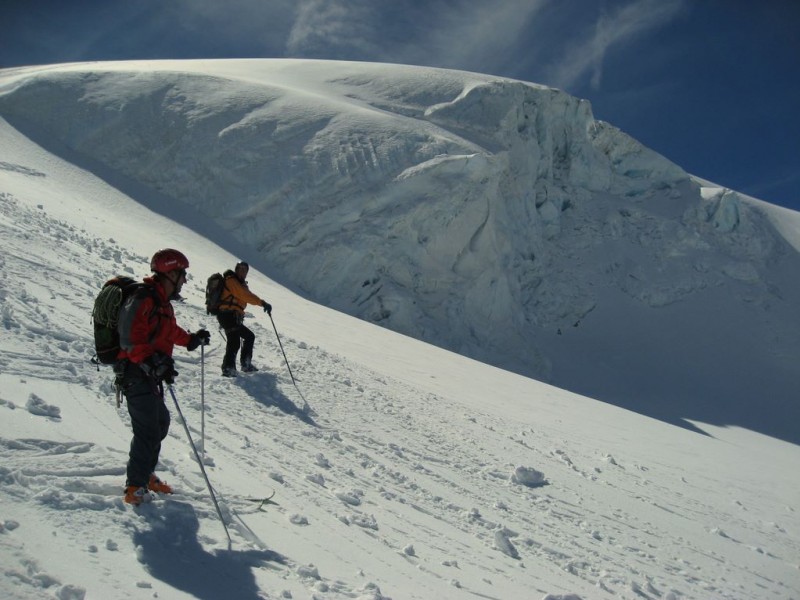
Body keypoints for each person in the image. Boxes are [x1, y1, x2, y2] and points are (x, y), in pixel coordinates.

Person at [116, 248, 210, 505]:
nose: (184, 280)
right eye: (182, 274)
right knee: (148, 430)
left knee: (159, 424)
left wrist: (191, 340)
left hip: (148, 374)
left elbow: (168, 331)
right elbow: (129, 338)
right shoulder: (143, 299)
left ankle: (146, 476)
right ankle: (134, 486)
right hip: (136, 374)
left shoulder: (160, 303)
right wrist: (150, 362)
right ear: (170, 273)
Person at [216, 261, 272, 377]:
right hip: (227, 315)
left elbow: (247, 295)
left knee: (249, 336)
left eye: (245, 270)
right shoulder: (232, 281)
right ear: (236, 270)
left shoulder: (241, 284)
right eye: (240, 269)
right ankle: (228, 368)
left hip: (233, 316)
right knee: (234, 341)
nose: (243, 272)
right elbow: (245, 296)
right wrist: (262, 303)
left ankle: (245, 364)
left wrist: (261, 303)